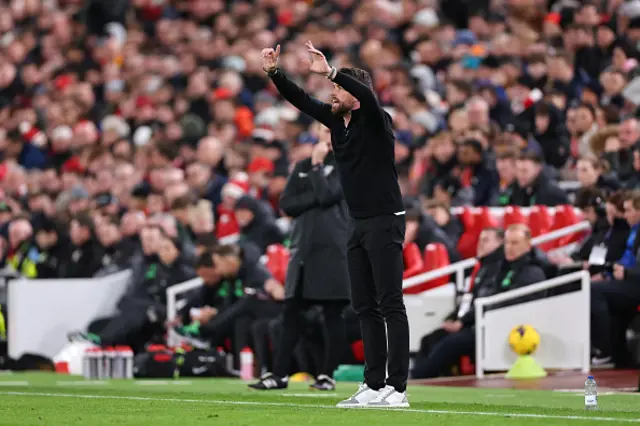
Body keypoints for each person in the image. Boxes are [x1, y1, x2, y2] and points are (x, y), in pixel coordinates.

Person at [262, 42, 409, 407]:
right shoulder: (335, 122)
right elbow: (301, 101)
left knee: (390, 302)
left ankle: (399, 389)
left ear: (355, 96)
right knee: (364, 306)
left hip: (385, 220)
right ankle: (373, 385)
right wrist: (274, 73)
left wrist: (330, 70)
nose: (332, 94)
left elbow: (365, 95)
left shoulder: (376, 119)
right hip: (357, 224)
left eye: (338, 89)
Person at [249, 126, 350, 391]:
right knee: (291, 313)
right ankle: (279, 374)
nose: (328, 135)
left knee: (332, 314)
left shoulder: (350, 163)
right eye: (324, 130)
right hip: (303, 249)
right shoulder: (302, 165)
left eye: (332, 130)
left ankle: (327, 375)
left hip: (333, 250)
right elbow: (287, 204)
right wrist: (315, 188)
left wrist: (317, 169)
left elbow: (329, 195)